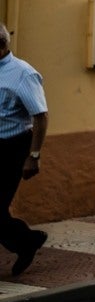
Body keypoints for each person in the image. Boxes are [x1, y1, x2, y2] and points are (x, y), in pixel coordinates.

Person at [0, 22, 48, 277]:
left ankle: (25, 242)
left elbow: (40, 116)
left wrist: (34, 155)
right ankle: (27, 239)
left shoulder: (23, 74)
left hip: (11, 148)